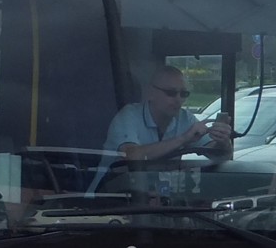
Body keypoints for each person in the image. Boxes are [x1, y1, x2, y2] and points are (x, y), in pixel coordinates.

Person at [88, 65, 232, 196]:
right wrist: (183, 139)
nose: (178, 99)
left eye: (184, 94)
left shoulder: (185, 118)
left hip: (154, 200)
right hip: (106, 198)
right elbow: (133, 156)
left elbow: (221, 156)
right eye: (171, 93)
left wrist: (222, 141)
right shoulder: (129, 115)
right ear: (150, 93)